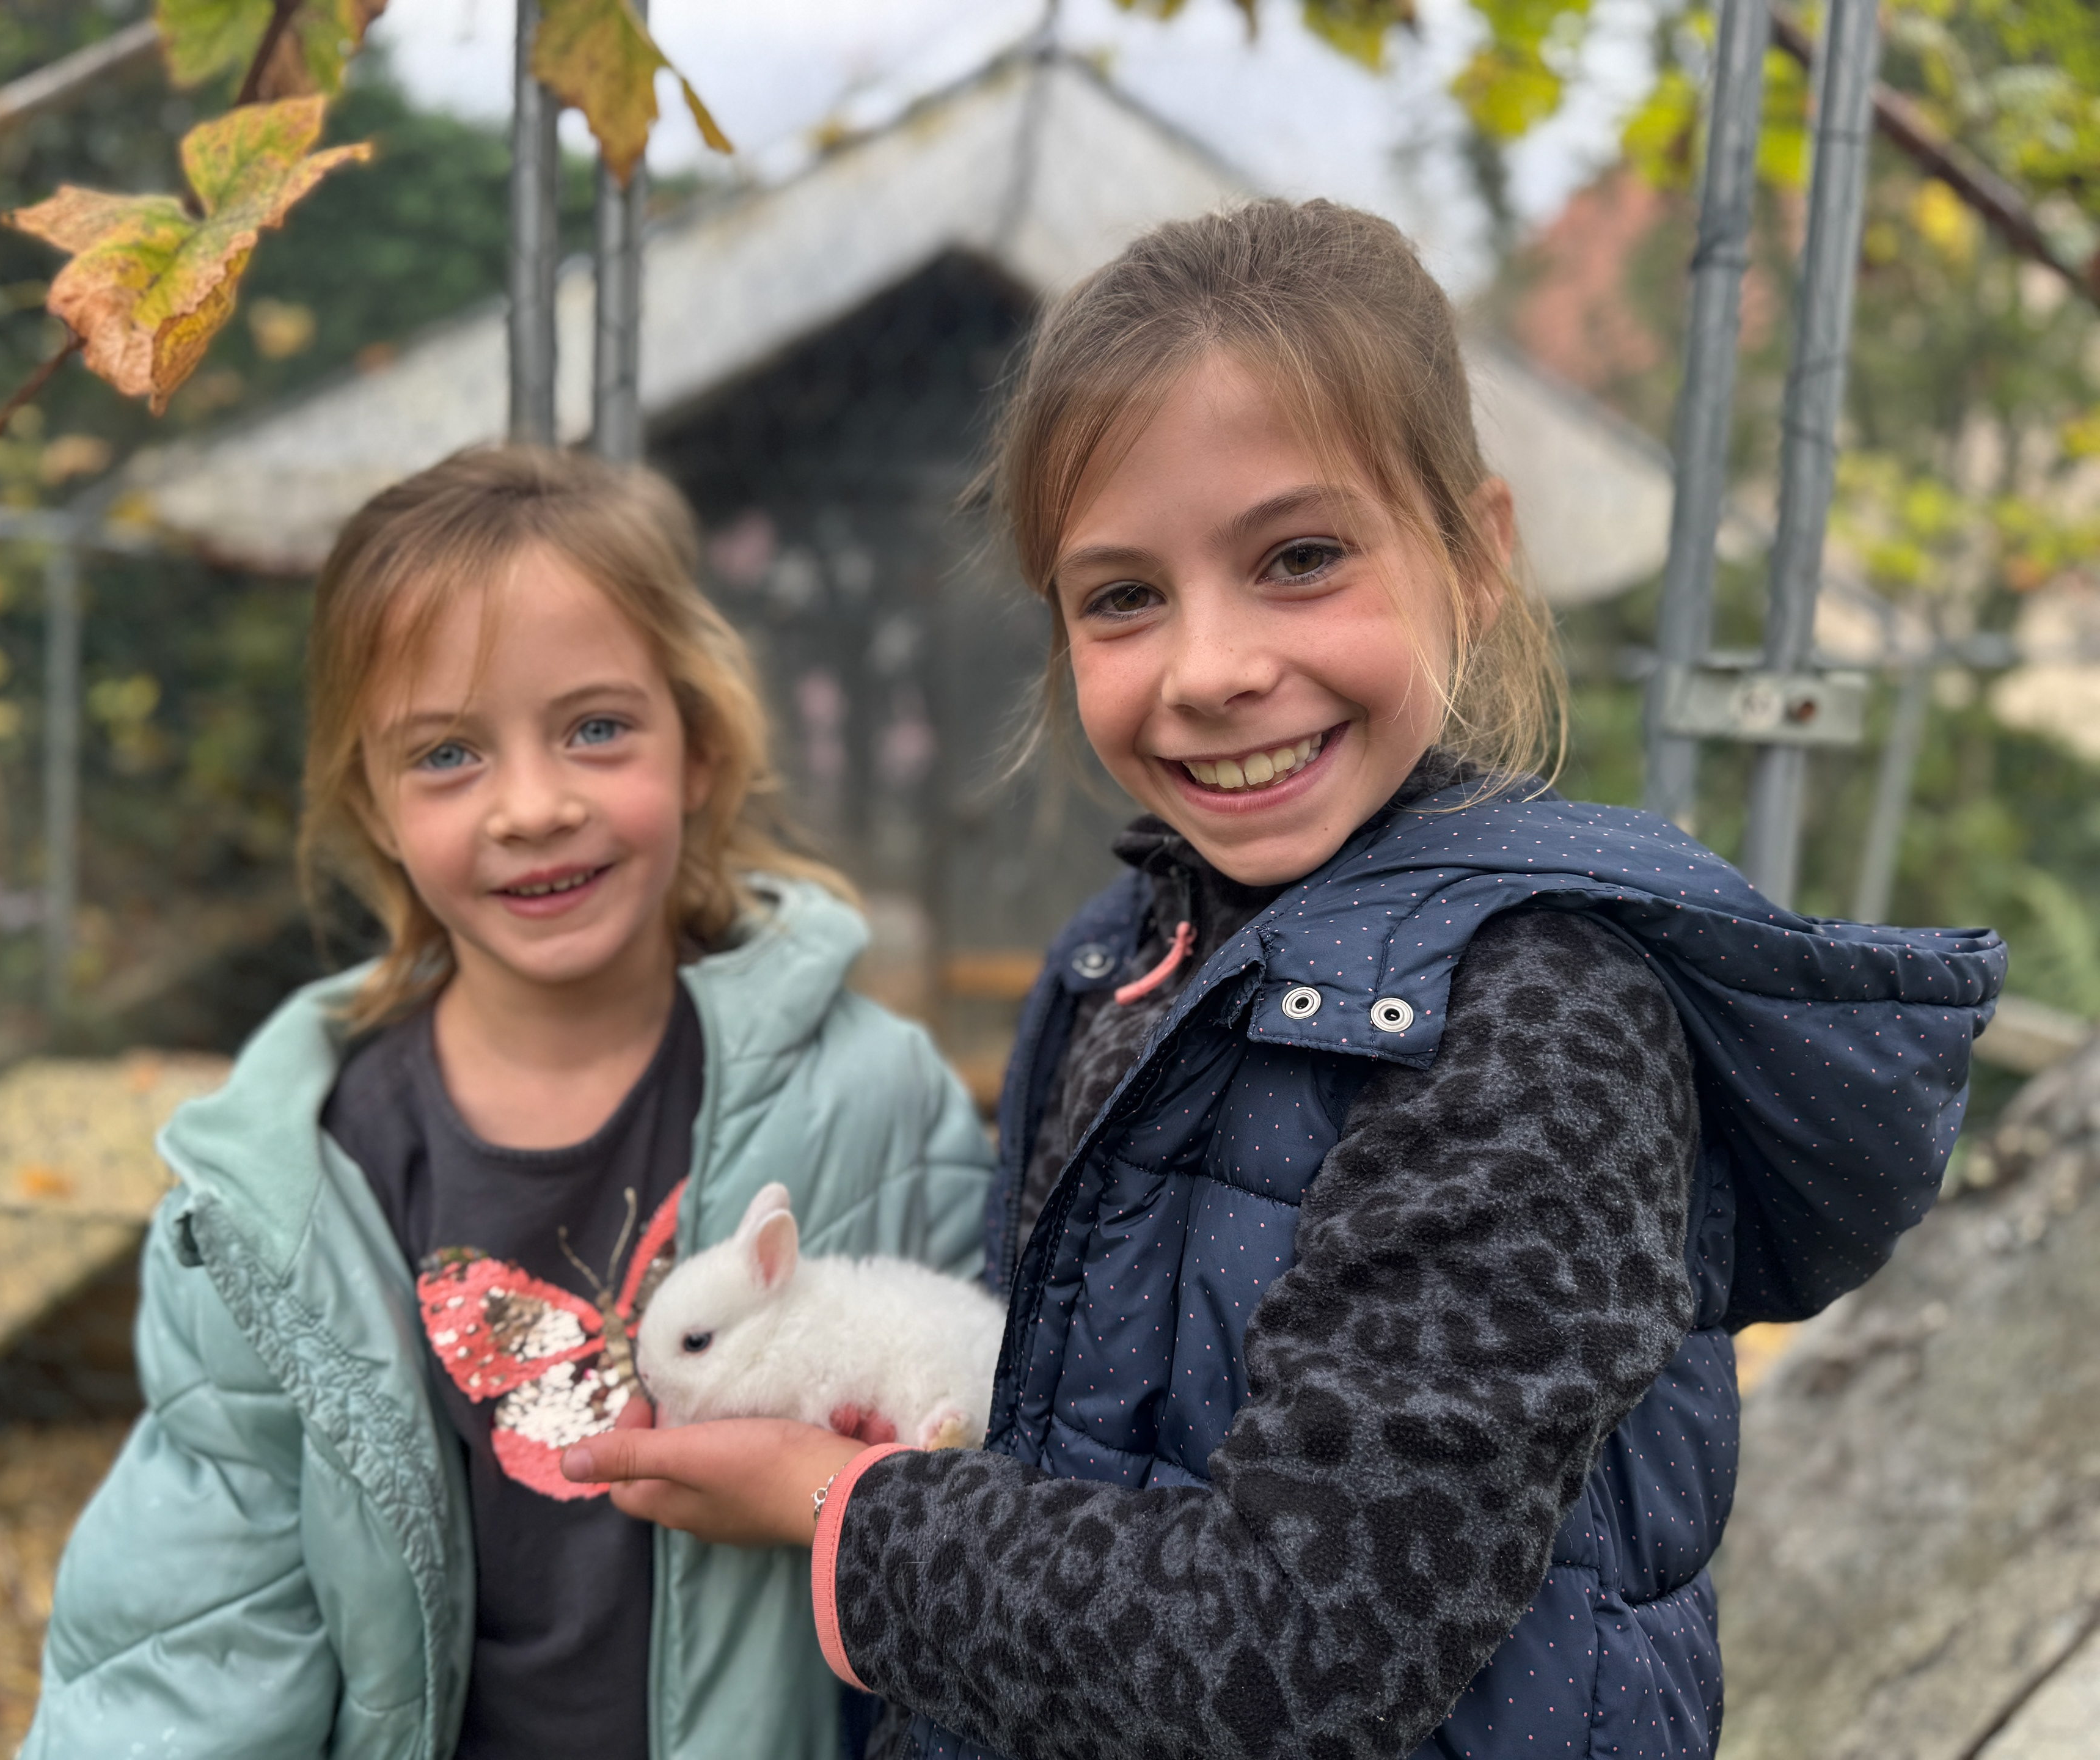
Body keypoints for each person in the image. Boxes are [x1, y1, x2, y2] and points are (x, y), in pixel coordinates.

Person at [559, 200, 2007, 1760]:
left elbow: (1294, 1656)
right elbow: (1063, 1444)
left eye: (1299, 559)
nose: (1209, 667)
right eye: (1122, 596)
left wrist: (838, 1511)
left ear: (1474, 556)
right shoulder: (1124, 962)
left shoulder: (1543, 1024)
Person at [21, 447, 993, 1760]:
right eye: (448, 754)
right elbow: (201, 1623)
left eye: (596, 728)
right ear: (372, 803)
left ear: (698, 750)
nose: (533, 807)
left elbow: (990, 1493)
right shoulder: (290, 1183)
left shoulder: (875, 1108)